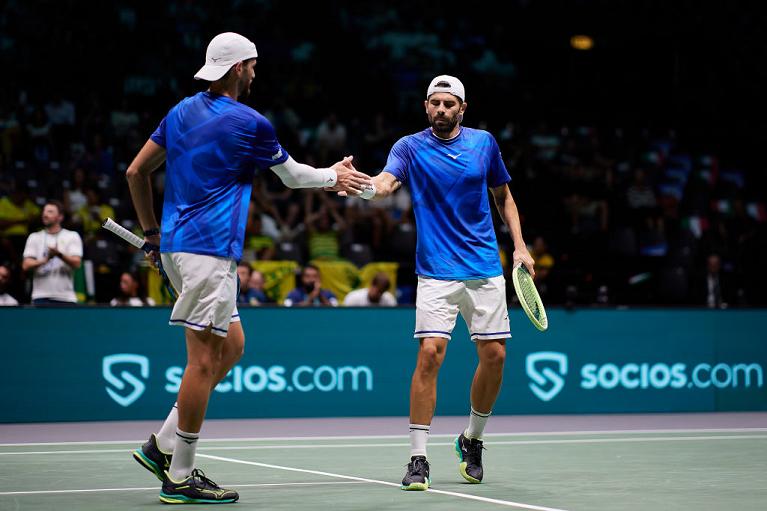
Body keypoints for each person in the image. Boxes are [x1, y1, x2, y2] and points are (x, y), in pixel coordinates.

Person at [125, 32, 370, 504]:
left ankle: (161, 445)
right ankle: (180, 474)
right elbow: (293, 175)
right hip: (209, 252)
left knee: (232, 346)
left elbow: (137, 173)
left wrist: (153, 234)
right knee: (201, 363)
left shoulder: (180, 111)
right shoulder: (248, 122)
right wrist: (333, 177)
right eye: (253, 66)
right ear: (238, 68)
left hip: (180, 248)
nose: (256, 73)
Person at [339, 75, 535, 490]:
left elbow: (503, 197)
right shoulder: (409, 147)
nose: (442, 110)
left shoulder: (484, 144)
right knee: (430, 353)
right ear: (426, 106)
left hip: (484, 267)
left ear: (462, 108)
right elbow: (387, 183)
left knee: (495, 356)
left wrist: (519, 246)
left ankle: (472, 440)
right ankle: (418, 458)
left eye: (449, 104)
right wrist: (363, 187)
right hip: (436, 269)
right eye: (435, 103)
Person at [21, 200, 82, 305]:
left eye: (50, 212)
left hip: (65, 297)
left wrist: (59, 254)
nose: (45, 214)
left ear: (60, 217)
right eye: (44, 211)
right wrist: (45, 260)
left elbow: (77, 263)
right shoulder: (34, 237)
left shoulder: (72, 236)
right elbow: (26, 265)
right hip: (40, 296)